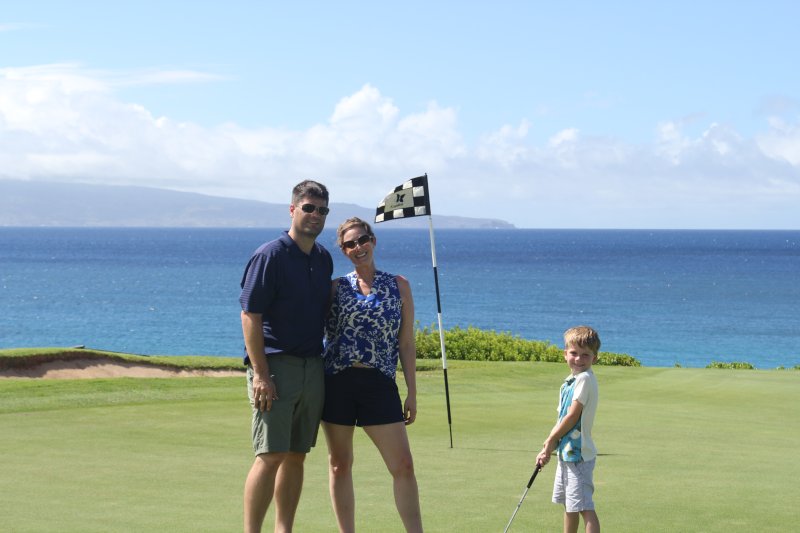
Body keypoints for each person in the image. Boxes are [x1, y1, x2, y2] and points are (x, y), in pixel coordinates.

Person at [239, 180, 333, 533]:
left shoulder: (322, 258)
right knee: (270, 455)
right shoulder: (271, 255)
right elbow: (250, 314)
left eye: (322, 210)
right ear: (293, 209)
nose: (315, 215)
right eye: (308, 208)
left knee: (296, 456)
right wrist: (261, 374)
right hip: (275, 367)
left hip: (312, 367)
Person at [322, 217, 423, 533]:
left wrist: (412, 392)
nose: (358, 247)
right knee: (339, 465)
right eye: (349, 244)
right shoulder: (335, 288)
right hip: (337, 382)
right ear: (343, 250)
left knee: (403, 465)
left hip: (379, 383)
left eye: (362, 240)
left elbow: (406, 343)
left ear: (373, 240)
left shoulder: (399, 286)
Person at [536, 326, 602, 533]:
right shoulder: (569, 382)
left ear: (594, 358)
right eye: (574, 353)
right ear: (565, 354)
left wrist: (551, 439)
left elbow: (573, 415)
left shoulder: (584, 379)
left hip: (579, 455)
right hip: (567, 453)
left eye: (586, 355)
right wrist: (548, 446)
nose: (579, 359)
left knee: (584, 506)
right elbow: (562, 419)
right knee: (570, 504)